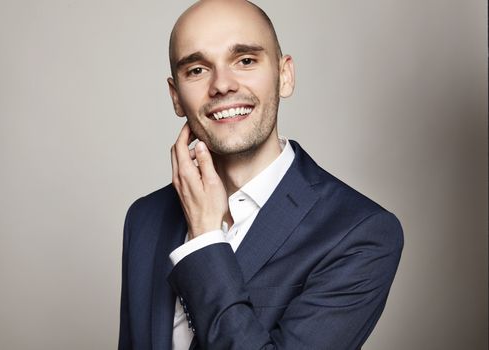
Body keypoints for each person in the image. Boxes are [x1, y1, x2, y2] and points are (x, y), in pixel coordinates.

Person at [118, 0, 403, 349]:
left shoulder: (360, 233)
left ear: (285, 76)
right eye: (196, 69)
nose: (222, 85)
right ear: (176, 97)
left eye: (246, 60)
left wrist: (206, 238)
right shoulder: (145, 219)